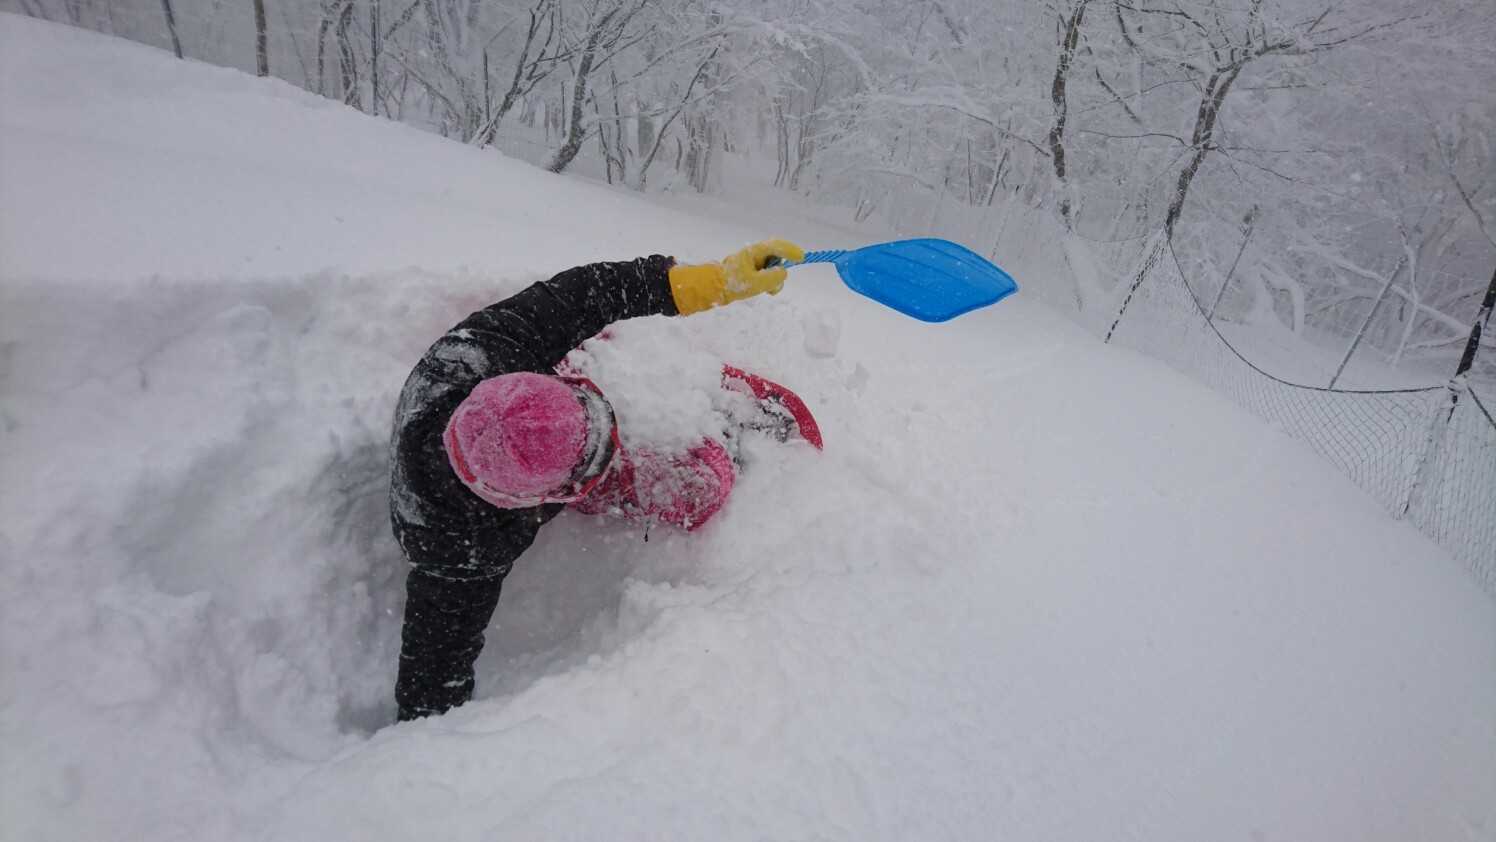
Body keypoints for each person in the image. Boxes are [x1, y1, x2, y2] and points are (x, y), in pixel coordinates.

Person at [389, 239, 806, 722]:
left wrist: (709, 282)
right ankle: (718, 449)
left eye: (589, 408)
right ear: (527, 501)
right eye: (587, 461)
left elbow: (587, 293)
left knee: (592, 332)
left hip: (520, 406)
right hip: (491, 492)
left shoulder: (482, 350)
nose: (610, 435)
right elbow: (431, 677)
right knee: (693, 488)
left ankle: (603, 413)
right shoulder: (459, 553)